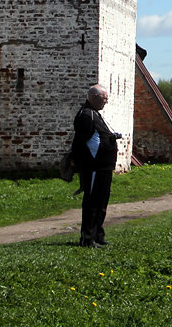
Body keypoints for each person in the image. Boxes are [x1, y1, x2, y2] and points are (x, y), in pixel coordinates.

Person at [72, 84, 121, 248]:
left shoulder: (94, 114)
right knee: (92, 203)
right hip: (93, 167)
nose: (106, 102)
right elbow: (80, 142)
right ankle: (87, 238)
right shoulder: (86, 115)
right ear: (93, 97)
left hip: (104, 167)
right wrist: (80, 164)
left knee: (101, 203)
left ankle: (98, 235)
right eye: (104, 98)